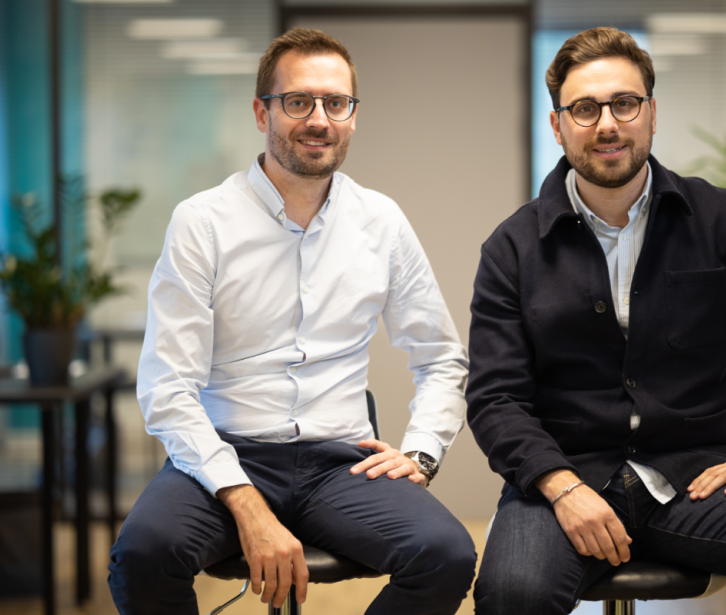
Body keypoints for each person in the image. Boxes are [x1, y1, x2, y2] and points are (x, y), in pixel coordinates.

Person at [467, 27, 726, 615]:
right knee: (511, 595)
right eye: (584, 108)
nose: (607, 124)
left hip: (695, 476)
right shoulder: (513, 247)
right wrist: (562, 486)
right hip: (561, 478)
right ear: (557, 125)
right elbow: (496, 399)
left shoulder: (722, 219)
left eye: (624, 104)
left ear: (651, 115)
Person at [108, 28, 475, 615]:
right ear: (263, 112)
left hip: (341, 463)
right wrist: (248, 504)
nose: (319, 119)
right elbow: (167, 386)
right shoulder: (202, 222)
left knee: (446, 554)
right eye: (298, 101)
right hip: (224, 453)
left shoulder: (380, 221)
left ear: (353, 117)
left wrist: (422, 452)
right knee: (143, 556)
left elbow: (440, 356)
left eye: (337, 103)